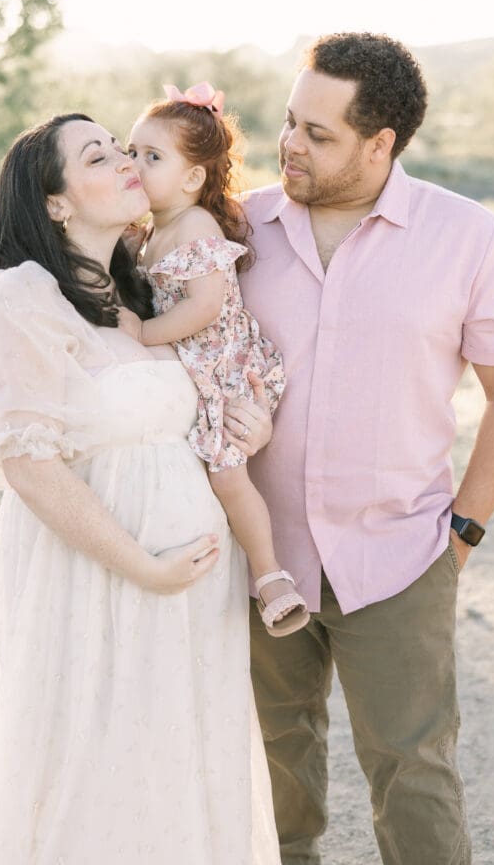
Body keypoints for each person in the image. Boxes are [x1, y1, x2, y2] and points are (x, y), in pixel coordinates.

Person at [237, 33, 494, 865]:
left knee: (412, 773)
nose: (290, 145)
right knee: (269, 766)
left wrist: (464, 533)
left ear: (381, 144)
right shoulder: (236, 228)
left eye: (319, 133)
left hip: (401, 555)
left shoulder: (467, 236)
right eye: (289, 122)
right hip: (256, 554)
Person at [0, 114, 280, 864]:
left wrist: (248, 427)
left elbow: (182, 423)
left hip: (193, 586)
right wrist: (141, 566)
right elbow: (29, 464)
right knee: (97, 768)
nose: (127, 161)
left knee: (180, 765)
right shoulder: (19, 297)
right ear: (55, 203)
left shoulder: (142, 295)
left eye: (127, 148)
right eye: (99, 156)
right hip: (95, 580)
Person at [123, 82, 309, 637]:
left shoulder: (195, 227)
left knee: (227, 477)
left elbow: (205, 308)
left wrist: (144, 334)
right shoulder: (149, 230)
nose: (133, 164)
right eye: (130, 151)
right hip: (195, 369)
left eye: (152, 157)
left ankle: (271, 575)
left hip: (227, 371)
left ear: (192, 177)